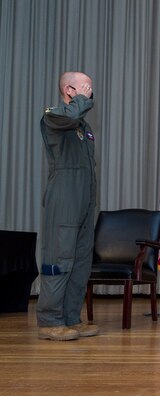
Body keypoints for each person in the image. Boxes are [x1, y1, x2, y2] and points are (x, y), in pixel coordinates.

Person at [37, 72, 100, 341]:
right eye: (85, 87)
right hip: (64, 198)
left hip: (85, 199)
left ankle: (71, 318)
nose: (90, 92)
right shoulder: (54, 116)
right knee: (60, 258)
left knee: (81, 260)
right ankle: (50, 320)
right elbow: (70, 116)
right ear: (69, 90)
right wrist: (81, 99)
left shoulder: (83, 127)